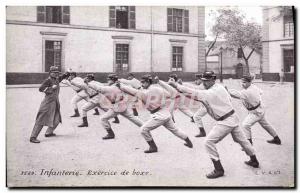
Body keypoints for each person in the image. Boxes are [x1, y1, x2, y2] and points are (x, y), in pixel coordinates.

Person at [168, 71, 259, 179]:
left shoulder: (211, 92)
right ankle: (254, 160)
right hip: (232, 118)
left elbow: (196, 93)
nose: (204, 83)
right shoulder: (218, 87)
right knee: (241, 140)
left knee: (208, 142)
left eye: (206, 81)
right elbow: (198, 88)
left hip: (225, 121)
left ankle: (218, 169)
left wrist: (176, 86)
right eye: (203, 81)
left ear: (212, 80)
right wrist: (181, 85)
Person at [118, 75, 193, 153]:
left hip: (159, 116)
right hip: (165, 113)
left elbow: (135, 92)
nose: (141, 84)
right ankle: (188, 141)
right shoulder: (158, 89)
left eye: (143, 82)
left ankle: (153, 147)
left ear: (148, 82)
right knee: (175, 130)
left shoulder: (146, 92)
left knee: (143, 130)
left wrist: (121, 86)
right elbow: (169, 94)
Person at [227, 75, 281, 145]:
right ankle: (277, 139)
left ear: (249, 82)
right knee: (266, 125)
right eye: (242, 82)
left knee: (245, 125)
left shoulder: (247, 92)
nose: (242, 84)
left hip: (255, 112)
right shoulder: (253, 87)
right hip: (260, 109)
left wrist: (226, 91)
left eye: (244, 82)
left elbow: (236, 94)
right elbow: (261, 92)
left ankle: (249, 143)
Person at [87, 74, 144, 139]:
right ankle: (144, 126)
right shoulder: (119, 85)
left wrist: (88, 84)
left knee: (103, 119)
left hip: (117, 106)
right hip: (122, 104)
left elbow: (99, 88)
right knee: (132, 117)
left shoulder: (111, 88)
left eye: (109, 79)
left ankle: (110, 134)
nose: (108, 80)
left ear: (113, 80)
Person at [30, 66, 70, 143]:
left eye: (57, 73)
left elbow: (62, 76)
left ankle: (48, 132)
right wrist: (51, 88)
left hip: (55, 102)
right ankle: (33, 137)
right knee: (41, 119)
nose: (56, 74)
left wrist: (67, 73)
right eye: (54, 73)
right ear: (50, 73)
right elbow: (40, 89)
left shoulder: (57, 79)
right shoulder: (47, 80)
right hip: (47, 102)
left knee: (57, 119)